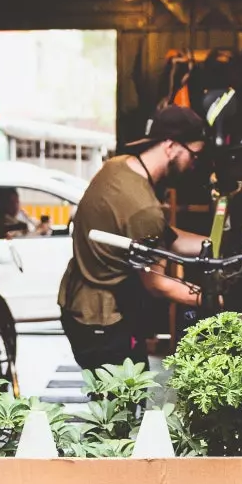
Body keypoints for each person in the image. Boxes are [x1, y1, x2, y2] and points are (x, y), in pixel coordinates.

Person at [58, 104, 209, 368]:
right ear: (171, 146)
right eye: (193, 155)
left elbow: (166, 238)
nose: (194, 165)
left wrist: (216, 246)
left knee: (121, 400)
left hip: (80, 306)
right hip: (102, 321)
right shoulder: (143, 208)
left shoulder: (118, 167)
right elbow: (158, 284)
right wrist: (216, 300)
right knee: (121, 406)